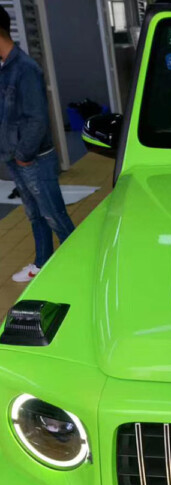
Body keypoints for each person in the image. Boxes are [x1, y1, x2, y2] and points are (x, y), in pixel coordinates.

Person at [0, 6, 75, 283]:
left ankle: (77, 266)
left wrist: (23, 154)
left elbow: (37, 119)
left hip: (33, 158)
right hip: (15, 156)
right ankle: (42, 262)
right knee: (35, 215)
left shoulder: (25, 69)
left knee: (54, 215)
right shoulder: (5, 69)